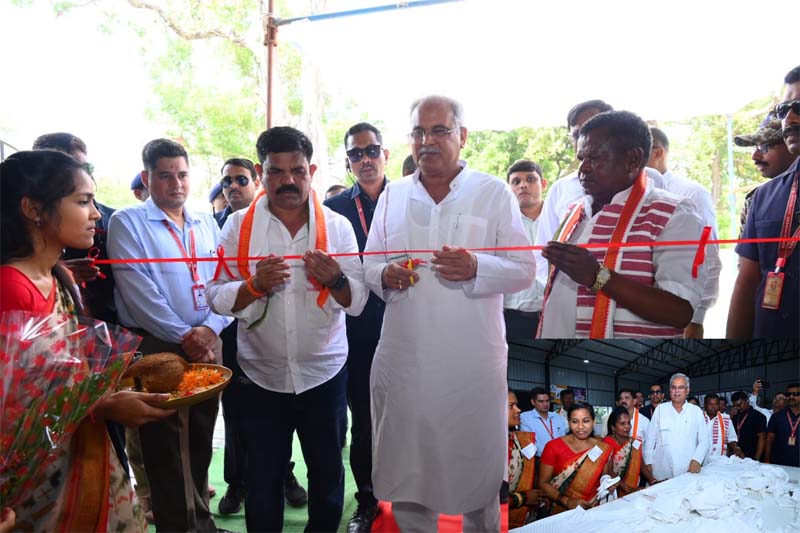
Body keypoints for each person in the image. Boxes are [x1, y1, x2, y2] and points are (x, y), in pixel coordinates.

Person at [363, 95, 535, 531]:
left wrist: (477, 266)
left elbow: (524, 270)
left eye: (439, 130)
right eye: (419, 132)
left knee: (476, 466)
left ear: (463, 136)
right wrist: (386, 274)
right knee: (409, 466)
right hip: (407, 359)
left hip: (470, 361)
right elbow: (368, 265)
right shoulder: (393, 195)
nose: (428, 141)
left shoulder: (492, 192)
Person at [0, 150, 173, 532]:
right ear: (33, 209)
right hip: (40, 477)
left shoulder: (56, 276)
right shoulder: (13, 287)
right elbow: (15, 404)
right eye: (83, 201)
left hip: (77, 448)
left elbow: (60, 373)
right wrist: (103, 405)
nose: (96, 214)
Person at [207, 126, 367, 532]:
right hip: (260, 377)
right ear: (261, 173)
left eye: (297, 170)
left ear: (310, 171)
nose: (288, 181)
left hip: (324, 375)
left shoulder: (338, 227)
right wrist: (253, 286)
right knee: (262, 480)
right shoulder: (237, 226)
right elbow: (215, 296)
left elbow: (358, 302)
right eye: (276, 171)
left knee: (328, 477)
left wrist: (335, 280)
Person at [108, 138, 231, 532]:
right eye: (165, 176)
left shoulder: (206, 221)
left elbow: (225, 282)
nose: (176, 184)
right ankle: (180, 527)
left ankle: (202, 522)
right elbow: (139, 294)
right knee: (165, 447)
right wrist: (186, 335)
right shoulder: (127, 222)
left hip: (209, 340)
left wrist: (210, 329)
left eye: (182, 175)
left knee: (200, 438)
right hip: (158, 345)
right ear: (146, 178)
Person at [539, 110, 705, 338]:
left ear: (632, 159)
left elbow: (679, 312)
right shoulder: (575, 212)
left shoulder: (674, 214)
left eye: (594, 158)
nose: (583, 168)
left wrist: (597, 276)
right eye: (581, 159)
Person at [324, 122, 389, 532]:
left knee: (413, 413)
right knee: (364, 421)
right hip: (357, 331)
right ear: (348, 162)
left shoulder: (409, 200)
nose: (365, 160)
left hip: (410, 323)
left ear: (385, 154)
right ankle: (367, 500)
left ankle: (417, 490)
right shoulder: (333, 211)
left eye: (372, 150)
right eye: (355, 154)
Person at [533, 100, 666, 294]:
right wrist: (555, 294)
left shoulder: (652, 182)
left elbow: (676, 297)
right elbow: (543, 252)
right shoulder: (561, 190)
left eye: (594, 128)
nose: (586, 137)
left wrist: (598, 279)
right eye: (578, 133)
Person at [728, 66, 800, 338]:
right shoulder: (763, 198)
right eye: (783, 110)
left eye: (798, 107)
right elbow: (747, 283)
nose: (789, 118)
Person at [647, 127, 720, 339]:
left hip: (683, 313)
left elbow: (709, 256)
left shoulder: (692, 193)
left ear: (658, 152)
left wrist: (697, 316)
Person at [538, 402, 615, 514]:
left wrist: (608, 483)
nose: (580, 426)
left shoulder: (602, 447)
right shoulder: (553, 446)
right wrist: (567, 501)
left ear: (593, 422)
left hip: (593, 507)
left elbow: (605, 475)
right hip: (560, 510)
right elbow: (543, 483)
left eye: (586, 421)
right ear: (568, 422)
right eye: (574, 421)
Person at [504, 159, 547, 338]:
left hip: (555, 314)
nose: (523, 185)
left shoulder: (561, 219)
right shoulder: (502, 224)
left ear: (543, 183)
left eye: (530, 179)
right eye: (516, 182)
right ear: (509, 188)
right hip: (514, 318)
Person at [734, 117, 796, 236]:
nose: (754, 156)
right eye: (755, 148)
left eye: (764, 147)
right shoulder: (755, 199)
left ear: (791, 143)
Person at [643, 373, 709, 481]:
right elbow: (650, 438)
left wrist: (697, 460)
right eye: (674, 387)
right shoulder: (660, 409)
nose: (677, 391)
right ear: (670, 390)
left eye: (681, 387)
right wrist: (648, 461)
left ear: (687, 391)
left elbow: (704, 439)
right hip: (662, 468)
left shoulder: (696, 411)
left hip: (688, 467)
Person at [508, 390, 545, 529]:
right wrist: (523, 498)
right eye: (511, 406)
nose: (518, 410)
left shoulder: (517, 438)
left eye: (517, 405)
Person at [603, 406, 656, 496]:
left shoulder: (634, 442)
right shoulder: (607, 443)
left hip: (633, 489)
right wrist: (628, 489)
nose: (627, 427)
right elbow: (609, 471)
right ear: (613, 427)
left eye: (628, 423)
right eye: (622, 423)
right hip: (613, 492)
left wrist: (652, 480)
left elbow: (641, 464)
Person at [520, 387, 569, 457]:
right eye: (541, 401)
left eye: (547, 401)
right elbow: (528, 443)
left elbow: (566, 437)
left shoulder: (557, 417)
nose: (545, 404)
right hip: (540, 458)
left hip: (561, 457)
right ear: (533, 402)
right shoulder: (525, 418)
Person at [765, 383, 800, 467]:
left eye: (795, 394)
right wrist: (767, 459)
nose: (791, 397)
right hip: (779, 464)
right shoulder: (776, 416)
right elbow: (769, 439)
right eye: (788, 394)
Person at [702, 393, 742, 460]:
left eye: (716, 404)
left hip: (720, 460)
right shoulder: (698, 418)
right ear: (704, 405)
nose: (713, 407)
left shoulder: (726, 419)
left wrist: (736, 448)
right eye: (710, 404)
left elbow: (732, 439)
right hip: (700, 461)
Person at [731, 390, 767, 461]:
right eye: (734, 406)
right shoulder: (735, 416)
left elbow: (762, 438)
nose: (737, 408)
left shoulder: (759, 416)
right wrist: (730, 419)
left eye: (739, 405)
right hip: (737, 455)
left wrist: (756, 460)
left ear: (747, 401)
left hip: (753, 456)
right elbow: (731, 436)